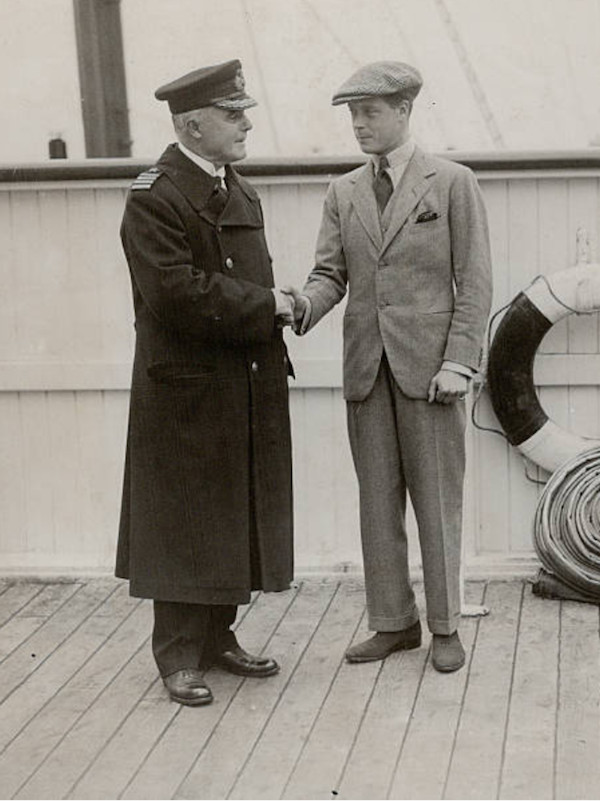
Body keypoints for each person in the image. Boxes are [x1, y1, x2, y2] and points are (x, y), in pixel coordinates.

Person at [286, 61, 492, 673]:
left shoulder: (452, 183)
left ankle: (447, 626)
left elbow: (475, 282)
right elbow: (330, 275)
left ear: (404, 111)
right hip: (367, 370)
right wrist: (299, 308)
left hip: (433, 375)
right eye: (352, 114)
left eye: (370, 112)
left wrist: (458, 361)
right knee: (377, 505)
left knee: (436, 503)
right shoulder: (343, 190)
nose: (358, 125)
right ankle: (393, 623)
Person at [116, 59, 295, 706]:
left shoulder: (233, 185)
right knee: (183, 520)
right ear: (193, 124)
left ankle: (218, 636)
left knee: (232, 512)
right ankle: (177, 655)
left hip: (242, 380)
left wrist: (268, 306)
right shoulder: (154, 196)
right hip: (186, 390)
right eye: (232, 112)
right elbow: (177, 295)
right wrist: (270, 305)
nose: (245, 121)